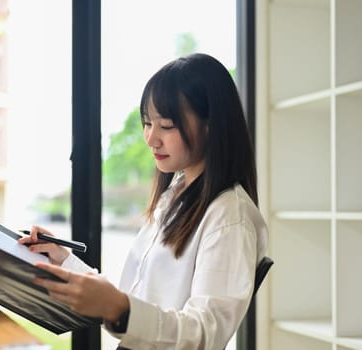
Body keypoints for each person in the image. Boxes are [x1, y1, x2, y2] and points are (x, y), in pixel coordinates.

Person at [19, 53, 269, 350]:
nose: (151, 139)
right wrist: (64, 259)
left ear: (210, 125)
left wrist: (118, 308)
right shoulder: (176, 194)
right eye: (147, 123)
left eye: (166, 126)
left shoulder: (229, 218)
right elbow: (138, 299)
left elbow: (204, 334)